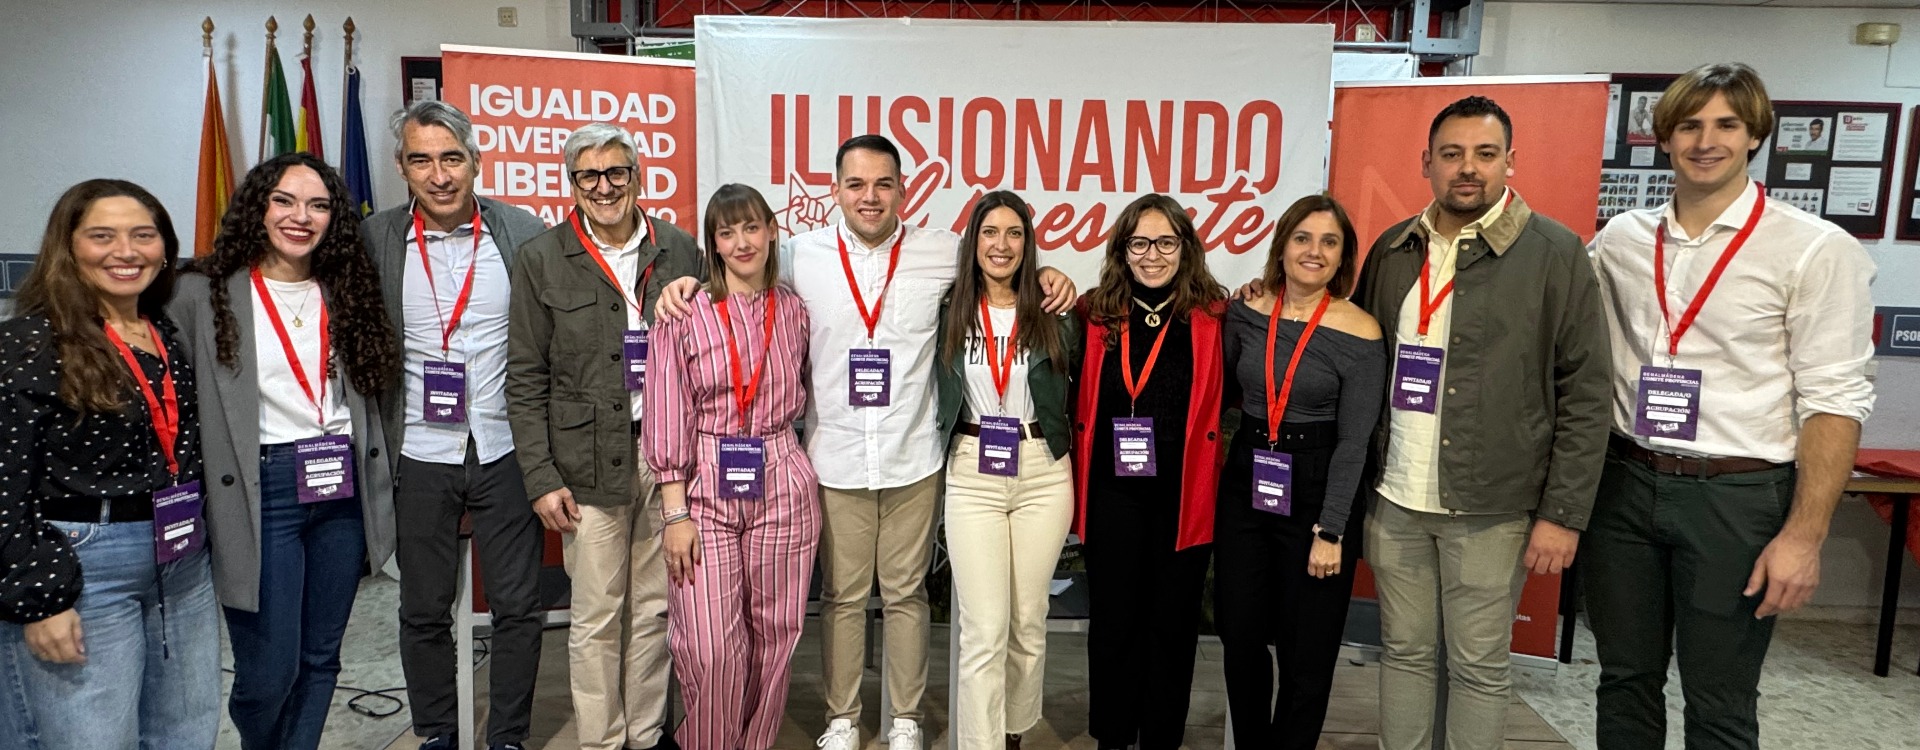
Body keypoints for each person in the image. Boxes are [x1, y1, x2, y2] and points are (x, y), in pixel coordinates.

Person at [658, 134, 1073, 750]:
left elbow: (1001, 260)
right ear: (835, 191)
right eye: (856, 184)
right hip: (836, 457)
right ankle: (843, 719)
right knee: (843, 598)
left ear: (904, 190)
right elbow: (738, 265)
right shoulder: (799, 254)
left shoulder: (941, 252)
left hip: (914, 456)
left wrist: (1047, 272)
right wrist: (684, 284)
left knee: (906, 595)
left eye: (883, 184)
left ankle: (905, 719)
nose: (870, 197)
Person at [1586, 63, 1874, 750]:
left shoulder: (1814, 248)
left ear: (1754, 136)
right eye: (1689, 125)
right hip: (1624, 482)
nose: (1705, 141)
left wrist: (1803, 537)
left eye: (1726, 125)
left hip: (1736, 497)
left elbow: (1834, 403)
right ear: (1663, 138)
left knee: (1719, 701)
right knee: (1623, 681)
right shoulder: (1621, 239)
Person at [1349, 95, 1610, 750]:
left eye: (1485, 154)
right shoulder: (1394, 248)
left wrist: (1563, 513)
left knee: (1478, 668)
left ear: (1510, 162)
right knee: (1403, 654)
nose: (1468, 168)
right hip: (1396, 499)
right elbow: (1354, 351)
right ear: (1427, 163)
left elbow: (1586, 390)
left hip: (1492, 509)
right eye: (1452, 154)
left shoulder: (1554, 253)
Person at [167, 152, 400, 750]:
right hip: (261, 488)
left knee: (321, 658)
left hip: (340, 486)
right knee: (269, 671)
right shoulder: (201, 292)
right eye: (285, 201)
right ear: (258, 207)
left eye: (318, 205)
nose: (302, 217)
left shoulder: (346, 287)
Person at [0, 179, 220, 748]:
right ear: (68, 247)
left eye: (143, 235)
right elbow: (5, 482)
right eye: (103, 236)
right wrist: (39, 599)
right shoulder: (29, 342)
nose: (126, 251)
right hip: (83, 563)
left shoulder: (164, 331)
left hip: (180, 558)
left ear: (164, 248)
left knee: (187, 732)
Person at [506, 122, 702, 750]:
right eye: (588, 175)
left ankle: (645, 734)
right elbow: (524, 376)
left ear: (637, 176)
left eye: (616, 172)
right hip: (584, 464)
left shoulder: (680, 249)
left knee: (654, 607)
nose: (604, 186)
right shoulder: (542, 258)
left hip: (667, 460)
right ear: (572, 183)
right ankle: (601, 740)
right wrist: (541, 478)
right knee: (595, 614)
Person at [363, 100, 550, 750]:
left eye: (451, 158)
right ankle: (437, 735)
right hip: (418, 452)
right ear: (401, 167)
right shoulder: (376, 240)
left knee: (519, 607)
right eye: (422, 160)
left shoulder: (522, 232)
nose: (439, 176)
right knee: (422, 609)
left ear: (475, 160)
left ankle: (508, 737)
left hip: (506, 448)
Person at [641, 184, 815, 750]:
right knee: (710, 644)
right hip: (704, 479)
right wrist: (675, 514)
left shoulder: (795, 311)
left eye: (751, 228)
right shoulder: (682, 314)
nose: (741, 242)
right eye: (726, 231)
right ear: (712, 244)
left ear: (771, 232)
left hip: (781, 471)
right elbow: (667, 412)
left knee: (775, 635)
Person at [1216, 193, 1385, 750]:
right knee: (1241, 638)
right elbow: (1222, 391)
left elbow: (1355, 441)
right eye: (1303, 238)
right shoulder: (1245, 312)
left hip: (1318, 489)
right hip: (1247, 479)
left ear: (1343, 256)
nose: (1315, 251)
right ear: (1282, 246)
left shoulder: (1362, 332)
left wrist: (1331, 529)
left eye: (1329, 242)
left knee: (1306, 651)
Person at [1072, 193, 1228, 750]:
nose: (1153, 255)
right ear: (1122, 249)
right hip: (1111, 494)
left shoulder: (1215, 316)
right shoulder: (1094, 312)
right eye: (1140, 243)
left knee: (1173, 624)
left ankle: (1162, 738)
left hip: (1182, 497)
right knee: (1114, 622)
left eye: (1165, 242)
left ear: (1186, 247)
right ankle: (1113, 737)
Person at [933, 191, 1081, 750]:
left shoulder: (1054, 310)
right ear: (974, 241)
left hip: (1042, 469)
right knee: (984, 628)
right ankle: (981, 743)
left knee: (1028, 620)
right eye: (990, 232)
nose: (1002, 244)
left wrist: (1057, 280)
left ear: (1028, 242)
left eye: (1014, 233)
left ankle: (1014, 730)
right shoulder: (948, 307)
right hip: (973, 470)